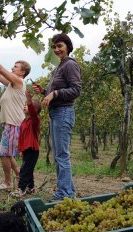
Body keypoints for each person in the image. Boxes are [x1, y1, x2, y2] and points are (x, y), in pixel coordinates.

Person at [33, 33, 81, 199]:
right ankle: (68, 190)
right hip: (56, 113)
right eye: (54, 47)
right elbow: (57, 92)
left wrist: (54, 93)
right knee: (58, 154)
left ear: (67, 46)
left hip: (64, 113)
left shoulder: (70, 65)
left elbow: (76, 90)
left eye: (59, 45)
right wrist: (44, 91)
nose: (56, 49)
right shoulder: (60, 67)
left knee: (61, 155)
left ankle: (64, 194)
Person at [0, 55, 31, 190]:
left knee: (3, 154)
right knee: (7, 153)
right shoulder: (12, 84)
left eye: (16, 66)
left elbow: (1, 69)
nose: (12, 68)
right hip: (10, 123)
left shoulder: (19, 82)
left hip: (14, 123)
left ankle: (8, 182)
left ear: (22, 72)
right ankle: (19, 176)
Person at [10, 88, 41, 198]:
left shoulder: (35, 120)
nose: (24, 106)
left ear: (35, 109)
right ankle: (30, 187)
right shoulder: (24, 122)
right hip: (26, 150)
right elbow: (21, 138)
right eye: (24, 105)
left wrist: (29, 99)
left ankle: (21, 189)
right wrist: (20, 150)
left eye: (26, 105)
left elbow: (32, 111)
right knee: (29, 169)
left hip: (33, 150)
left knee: (24, 170)